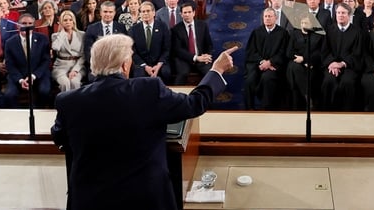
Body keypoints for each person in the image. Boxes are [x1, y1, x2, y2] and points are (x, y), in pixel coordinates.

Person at [51, 34, 236, 210]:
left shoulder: (68, 101)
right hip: (144, 198)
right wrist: (217, 70)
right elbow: (194, 104)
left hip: (90, 199)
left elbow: (60, 138)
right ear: (124, 65)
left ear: (93, 65)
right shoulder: (148, 89)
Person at [244, 8, 290, 110]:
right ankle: (249, 109)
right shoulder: (256, 32)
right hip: (258, 65)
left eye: (270, 16)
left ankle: (266, 108)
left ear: (276, 18)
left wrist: (270, 62)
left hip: (274, 66)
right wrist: (262, 62)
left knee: (267, 78)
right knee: (249, 80)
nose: (267, 19)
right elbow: (251, 51)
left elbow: (283, 53)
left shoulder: (283, 33)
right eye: (266, 16)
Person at [321, 3, 364, 111]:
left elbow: (357, 53)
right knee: (329, 81)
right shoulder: (330, 30)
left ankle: (347, 113)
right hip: (331, 65)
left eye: (343, 13)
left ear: (349, 15)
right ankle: (327, 112)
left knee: (347, 82)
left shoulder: (357, 32)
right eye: (338, 13)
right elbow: (325, 51)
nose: (340, 15)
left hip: (349, 66)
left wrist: (342, 64)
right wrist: (331, 63)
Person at [4, 13, 52, 108]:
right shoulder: (10, 42)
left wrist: (33, 76)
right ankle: (19, 117)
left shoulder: (43, 39)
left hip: (38, 74)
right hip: (19, 76)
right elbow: (10, 65)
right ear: (18, 25)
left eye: (30, 23)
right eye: (24, 23)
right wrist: (21, 80)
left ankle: (39, 111)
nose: (27, 26)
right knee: (9, 95)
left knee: (44, 91)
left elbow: (46, 61)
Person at [51, 10, 85, 92]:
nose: (68, 22)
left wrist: (75, 70)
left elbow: (84, 55)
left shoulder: (82, 34)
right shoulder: (56, 36)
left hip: (77, 66)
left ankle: (77, 104)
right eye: (65, 20)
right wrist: (62, 33)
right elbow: (55, 47)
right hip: (60, 66)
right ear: (61, 22)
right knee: (65, 83)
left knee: (75, 82)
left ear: (74, 21)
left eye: (70, 20)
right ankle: (65, 104)